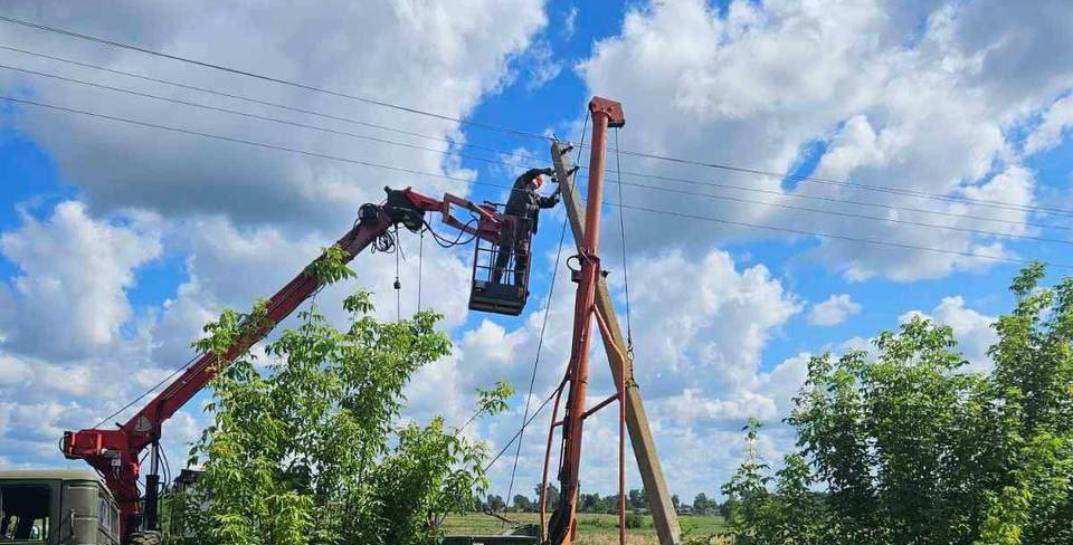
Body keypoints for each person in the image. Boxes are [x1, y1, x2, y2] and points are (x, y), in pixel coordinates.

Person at [492, 167, 560, 286]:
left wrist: (560, 190)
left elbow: (549, 202)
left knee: (523, 258)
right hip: (511, 224)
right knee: (505, 253)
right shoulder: (520, 184)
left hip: (523, 232)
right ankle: (495, 282)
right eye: (535, 182)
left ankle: (519, 286)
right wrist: (544, 171)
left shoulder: (535, 199)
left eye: (537, 185)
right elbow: (531, 173)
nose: (535, 185)